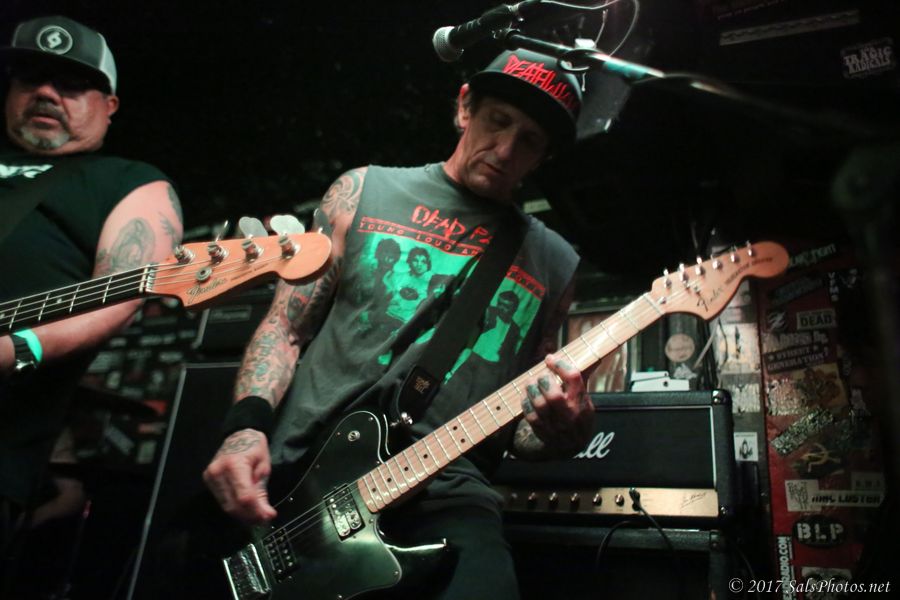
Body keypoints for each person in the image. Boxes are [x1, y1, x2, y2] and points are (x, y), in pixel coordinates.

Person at [204, 48, 593, 599]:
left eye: (529, 140)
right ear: (465, 107)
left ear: (544, 155)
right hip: (306, 470)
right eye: (497, 121)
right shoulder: (362, 192)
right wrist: (245, 429)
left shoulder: (555, 262)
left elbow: (521, 428)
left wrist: (563, 430)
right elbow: (286, 329)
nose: (507, 149)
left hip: (446, 484)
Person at [0, 15, 183, 562]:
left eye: (72, 84)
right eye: (30, 77)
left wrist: (19, 348)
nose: (47, 93)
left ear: (110, 105)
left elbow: (119, 296)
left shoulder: (127, 181)